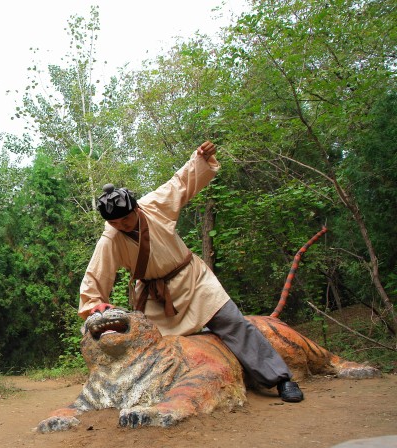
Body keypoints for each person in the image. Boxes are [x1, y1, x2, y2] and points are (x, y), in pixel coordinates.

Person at [78, 140, 304, 403]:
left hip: (194, 282)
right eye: (114, 222)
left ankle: (281, 379)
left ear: (136, 209)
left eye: (125, 219)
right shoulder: (111, 237)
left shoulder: (154, 205)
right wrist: (94, 304)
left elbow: (180, 183)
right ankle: (152, 395)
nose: (121, 225)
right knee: (153, 347)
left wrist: (200, 158)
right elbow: (96, 275)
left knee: (233, 324)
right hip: (155, 298)